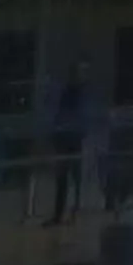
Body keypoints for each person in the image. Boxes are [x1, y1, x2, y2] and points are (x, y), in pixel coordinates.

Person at [47, 60, 91, 225]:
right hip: (66, 138)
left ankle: (74, 213)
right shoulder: (67, 91)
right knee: (63, 178)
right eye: (77, 71)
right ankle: (60, 215)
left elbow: (84, 116)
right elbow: (61, 114)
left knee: (75, 177)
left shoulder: (84, 92)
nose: (80, 75)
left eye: (82, 71)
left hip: (75, 139)